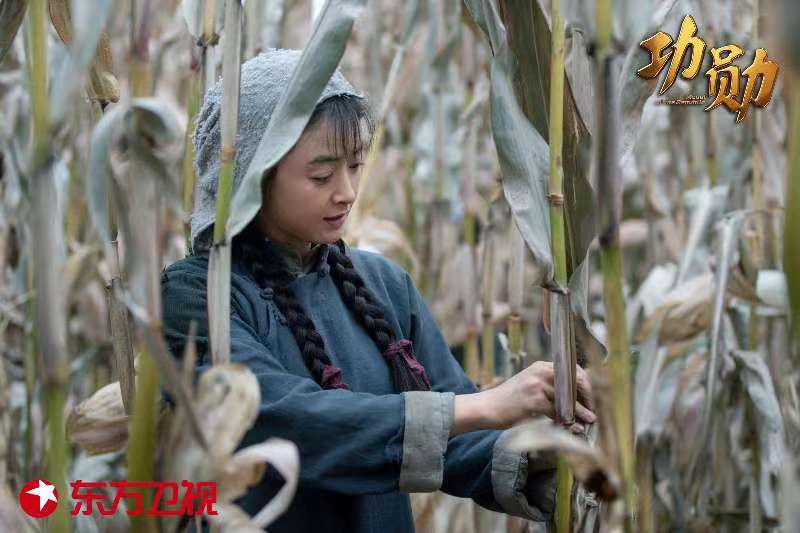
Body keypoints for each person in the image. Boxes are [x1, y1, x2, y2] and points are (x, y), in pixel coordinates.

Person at [161, 48, 595, 532]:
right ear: (251, 176)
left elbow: (453, 440)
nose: (347, 192)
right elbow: (285, 421)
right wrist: (488, 405)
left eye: (355, 166)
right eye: (321, 175)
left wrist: (539, 455)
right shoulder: (196, 296)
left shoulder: (382, 284)